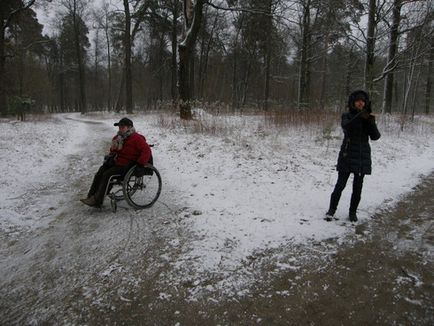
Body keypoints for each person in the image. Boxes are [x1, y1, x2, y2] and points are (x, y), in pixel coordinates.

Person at [325, 90, 381, 222]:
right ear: (353, 102)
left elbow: (375, 137)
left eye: (363, 101)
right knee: (340, 185)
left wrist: (370, 121)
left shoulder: (368, 117)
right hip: (347, 154)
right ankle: (331, 210)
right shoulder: (347, 116)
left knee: (357, 188)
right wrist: (360, 115)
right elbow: (347, 128)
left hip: (362, 156)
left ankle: (352, 212)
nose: (360, 103)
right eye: (358, 101)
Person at [80, 117, 152, 208]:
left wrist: (140, 164)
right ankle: (91, 196)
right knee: (101, 171)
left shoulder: (136, 138)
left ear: (129, 127)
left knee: (107, 174)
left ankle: (97, 200)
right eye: (119, 127)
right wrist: (113, 150)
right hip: (118, 162)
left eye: (123, 127)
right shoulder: (119, 138)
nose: (120, 129)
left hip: (128, 165)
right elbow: (113, 152)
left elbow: (147, 151)